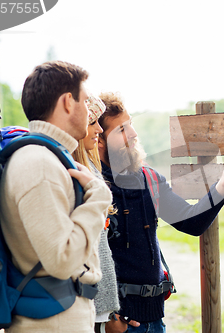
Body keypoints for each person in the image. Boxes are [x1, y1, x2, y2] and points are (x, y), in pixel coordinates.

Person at [97, 92, 224, 332]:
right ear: (99, 139)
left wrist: (223, 184)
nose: (133, 134)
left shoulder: (150, 179)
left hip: (155, 319)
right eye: (121, 129)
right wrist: (106, 319)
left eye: (130, 124)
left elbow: (191, 223)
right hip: (116, 325)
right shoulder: (92, 186)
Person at [0, 61, 113, 333]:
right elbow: (62, 259)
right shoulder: (38, 164)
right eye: (85, 101)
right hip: (52, 323)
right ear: (67, 102)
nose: (89, 111)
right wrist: (98, 198)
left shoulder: (47, 158)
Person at [72, 94, 140, 333]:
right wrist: (108, 314)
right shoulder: (72, 173)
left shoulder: (92, 170)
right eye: (92, 123)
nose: (98, 129)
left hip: (103, 311)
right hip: (91, 311)